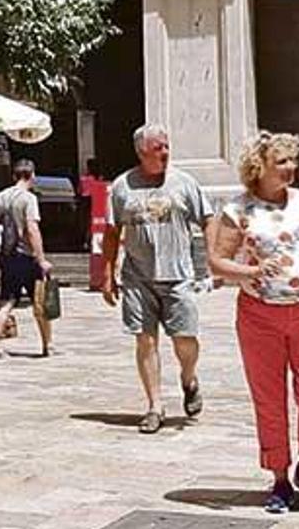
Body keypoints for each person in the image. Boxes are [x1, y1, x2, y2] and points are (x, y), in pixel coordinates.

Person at [208, 131, 299, 514]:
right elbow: (217, 263)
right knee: (270, 402)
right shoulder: (238, 209)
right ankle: (278, 477)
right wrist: (251, 269)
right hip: (259, 317)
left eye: (292, 160)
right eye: (281, 162)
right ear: (259, 167)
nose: (291, 168)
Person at [101, 124, 213, 434]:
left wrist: (214, 258)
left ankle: (189, 379)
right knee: (145, 340)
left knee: (185, 339)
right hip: (138, 277)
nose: (165, 152)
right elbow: (112, 232)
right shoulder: (122, 187)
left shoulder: (184, 183)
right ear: (141, 152)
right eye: (157, 148)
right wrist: (107, 272)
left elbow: (208, 219)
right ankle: (154, 406)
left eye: (166, 146)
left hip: (178, 275)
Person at [0, 159, 54, 359]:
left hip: (7, 257)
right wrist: (41, 258)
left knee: (7, 301)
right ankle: (47, 345)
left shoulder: (1, 197)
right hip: (26, 256)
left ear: (14, 176)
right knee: (40, 303)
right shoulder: (28, 199)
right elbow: (32, 229)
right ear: (31, 175)